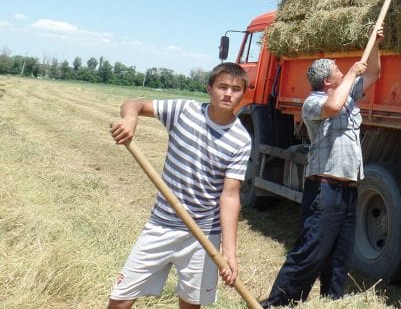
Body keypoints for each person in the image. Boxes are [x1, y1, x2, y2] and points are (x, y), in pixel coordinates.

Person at [107, 62, 251, 309]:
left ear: (242, 94)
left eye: (236, 89)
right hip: (161, 225)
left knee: (190, 305)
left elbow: (230, 196)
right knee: (120, 300)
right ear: (209, 88)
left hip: (204, 235)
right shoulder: (185, 110)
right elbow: (134, 103)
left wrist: (229, 252)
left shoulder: (241, 140)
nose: (228, 93)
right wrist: (130, 119)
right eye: (222, 86)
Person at [263, 26, 384, 307]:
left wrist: (374, 44)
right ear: (327, 80)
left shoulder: (347, 94)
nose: (343, 71)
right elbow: (332, 107)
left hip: (348, 188)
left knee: (340, 258)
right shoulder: (313, 102)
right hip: (324, 188)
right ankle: (278, 304)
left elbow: (374, 74)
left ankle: (331, 303)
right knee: (311, 253)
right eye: (338, 70)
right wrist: (352, 73)